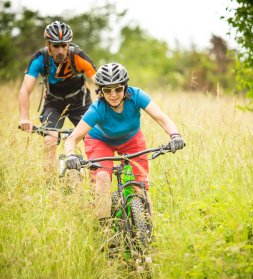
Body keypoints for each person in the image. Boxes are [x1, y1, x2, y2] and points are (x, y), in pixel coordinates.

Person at [64, 63, 185, 221]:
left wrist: (175, 135)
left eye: (118, 89)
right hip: (100, 141)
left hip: (131, 139)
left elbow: (161, 118)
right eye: (107, 90)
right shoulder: (97, 108)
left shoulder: (137, 96)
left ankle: (149, 231)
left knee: (140, 185)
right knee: (102, 178)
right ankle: (106, 233)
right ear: (101, 91)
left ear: (125, 87)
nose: (113, 95)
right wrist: (70, 155)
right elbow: (72, 138)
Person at [19, 21, 97, 169]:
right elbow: (25, 90)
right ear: (48, 45)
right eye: (56, 46)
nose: (61, 51)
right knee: (50, 139)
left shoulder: (78, 56)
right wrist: (24, 118)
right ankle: (49, 184)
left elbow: (98, 81)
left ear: (69, 44)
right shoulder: (39, 58)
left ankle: (95, 178)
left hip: (80, 102)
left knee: (93, 138)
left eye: (64, 45)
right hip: (54, 103)